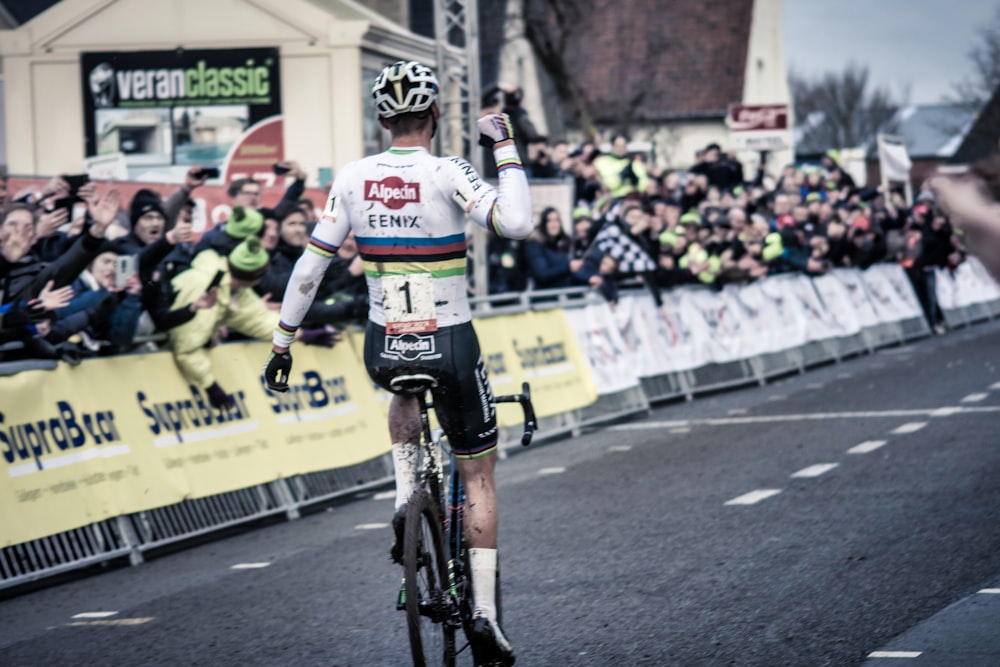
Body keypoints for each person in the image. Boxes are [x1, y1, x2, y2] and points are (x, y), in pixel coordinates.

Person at [262, 60, 532, 666]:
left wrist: (282, 344)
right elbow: (516, 222)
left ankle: (404, 495)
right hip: (452, 340)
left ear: (382, 120)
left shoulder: (352, 179)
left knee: (402, 392)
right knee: (478, 476)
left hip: (384, 344)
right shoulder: (448, 170)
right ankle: (484, 613)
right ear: (434, 114)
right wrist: (506, 149)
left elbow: (310, 270)